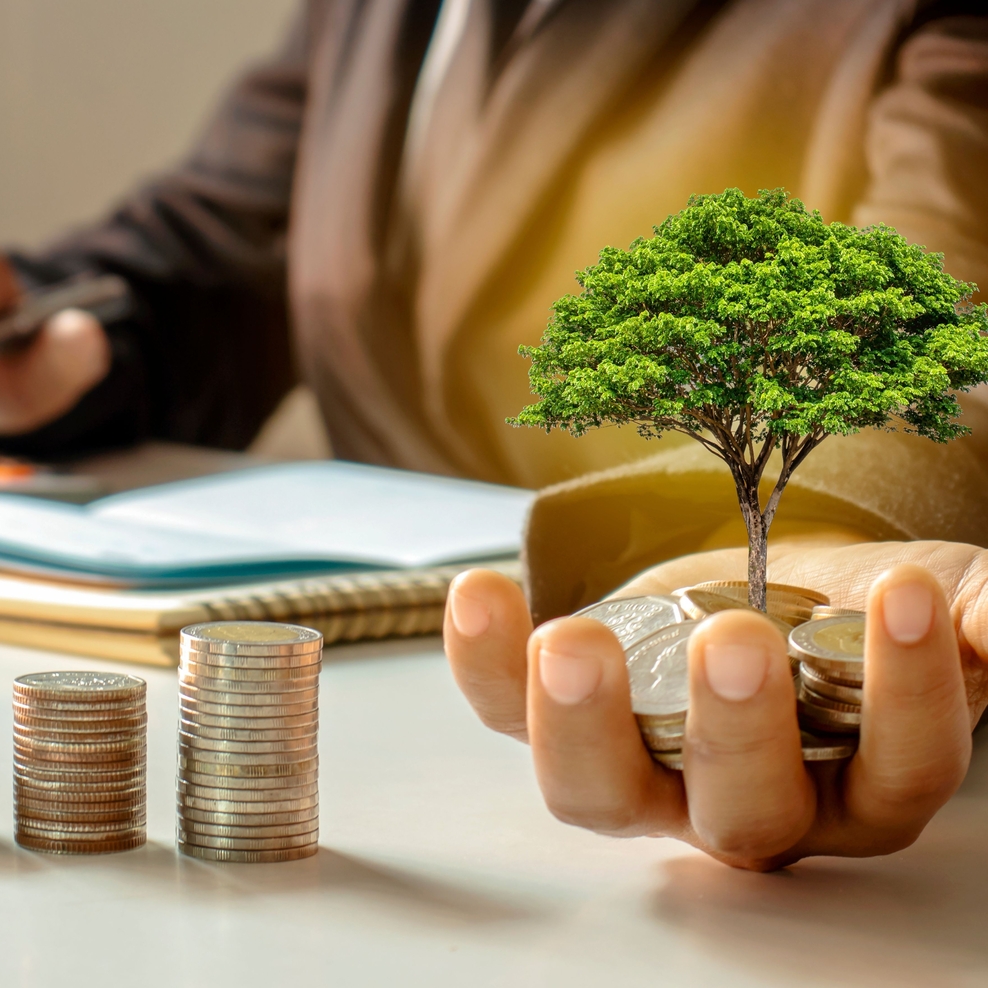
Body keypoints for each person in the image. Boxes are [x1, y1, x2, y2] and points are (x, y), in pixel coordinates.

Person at [1, 0, 987, 866]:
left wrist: (800, 532)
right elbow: (227, 245)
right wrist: (66, 347)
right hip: (389, 756)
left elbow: (937, 322)